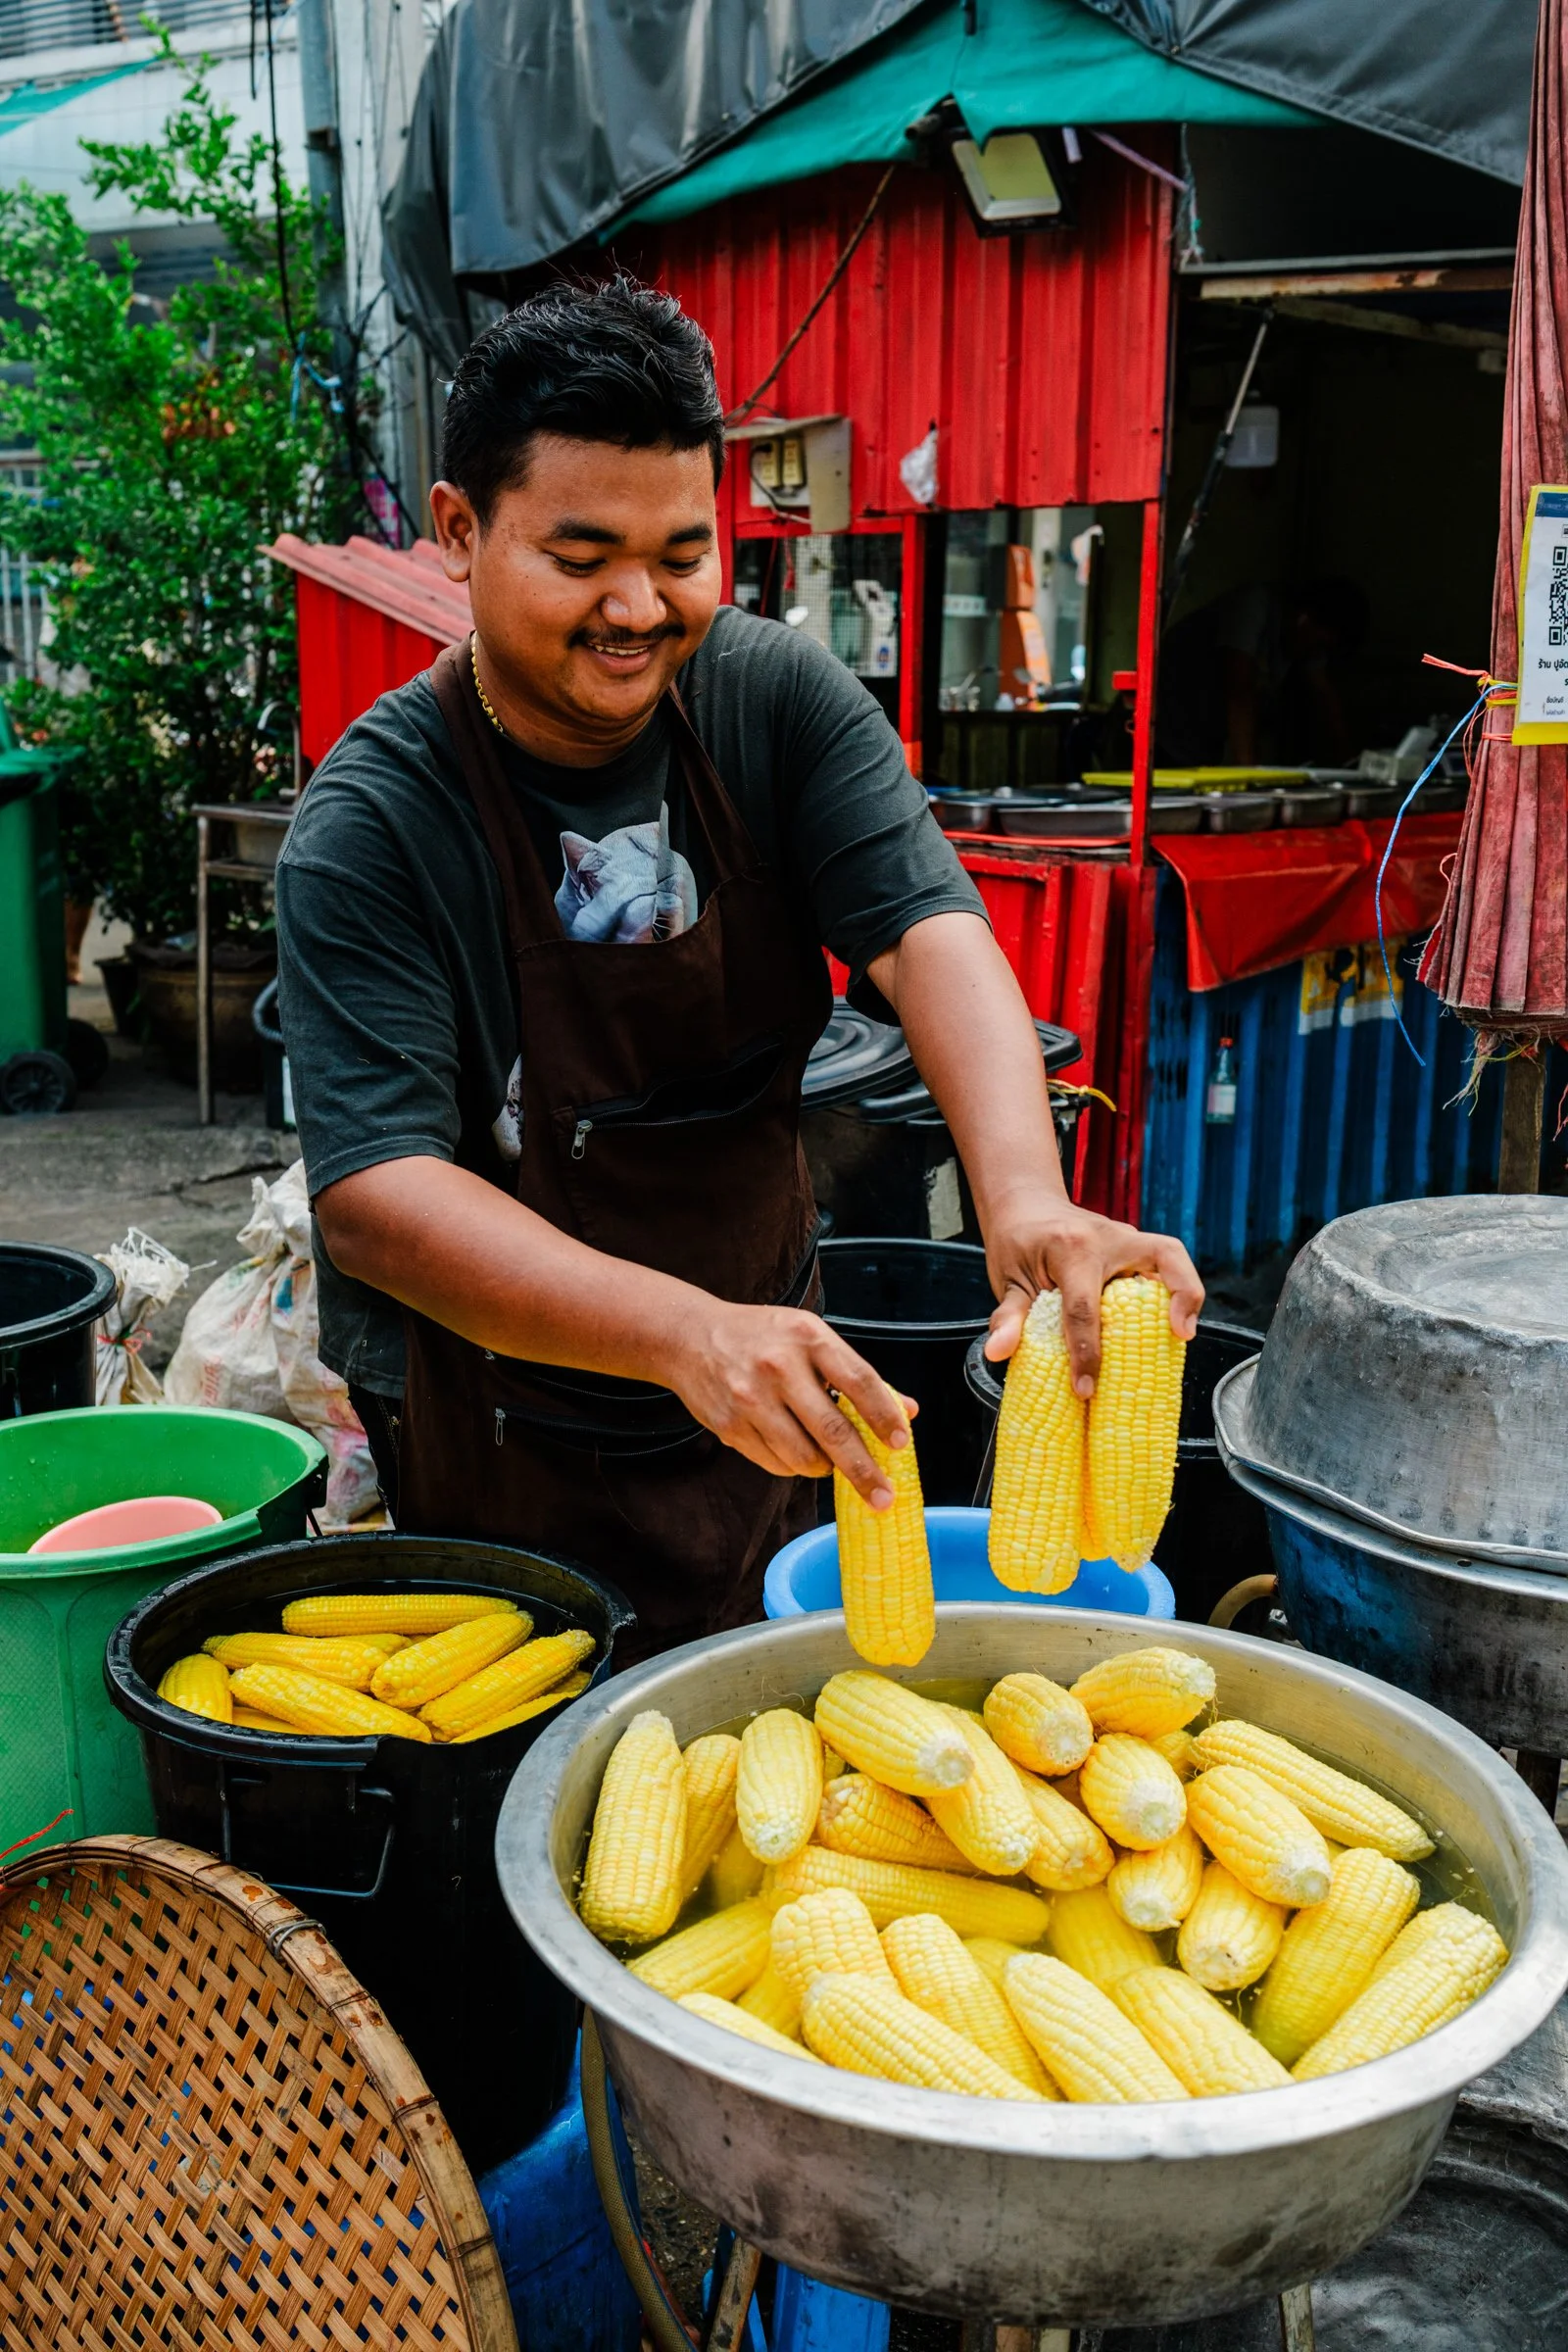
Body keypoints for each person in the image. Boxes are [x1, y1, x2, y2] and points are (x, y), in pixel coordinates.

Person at [275, 277, 1200, 1658]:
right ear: (459, 532)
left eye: (683, 554)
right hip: (509, 1424)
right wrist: (682, 1337)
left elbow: (927, 930)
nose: (638, 607)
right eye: (581, 557)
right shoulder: (374, 822)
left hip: (779, 1380)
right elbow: (378, 1198)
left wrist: (1025, 1201)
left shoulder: (772, 699)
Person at [1157, 578, 1368, 768]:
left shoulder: (1306, 640)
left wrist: (1351, 762)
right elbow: (1238, 690)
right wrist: (1250, 773)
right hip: (1157, 733)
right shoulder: (1253, 606)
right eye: (1320, 644)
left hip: (1200, 742)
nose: (1317, 654)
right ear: (1304, 620)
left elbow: (1324, 695)